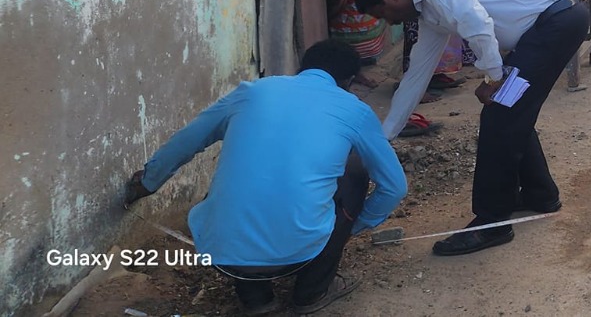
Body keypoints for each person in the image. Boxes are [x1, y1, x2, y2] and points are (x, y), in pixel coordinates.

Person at [124, 40, 406, 316]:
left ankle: (255, 298)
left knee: (238, 181)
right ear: (348, 81)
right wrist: (352, 227)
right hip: (301, 253)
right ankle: (312, 292)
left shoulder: (251, 92)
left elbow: (186, 142)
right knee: (355, 171)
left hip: (221, 253)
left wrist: (148, 182)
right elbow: (394, 187)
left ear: (302, 68)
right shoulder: (354, 110)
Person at [355, 0, 589, 256]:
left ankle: (492, 223)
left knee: (500, 115)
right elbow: (417, 75)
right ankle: (540, 194)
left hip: (556, 23)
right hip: (551, 26)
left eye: (384, 15)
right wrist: (386, 135)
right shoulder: (430, 11)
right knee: (510, 113)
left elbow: (477, 23)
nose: (390, 22)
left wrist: (493, 77)